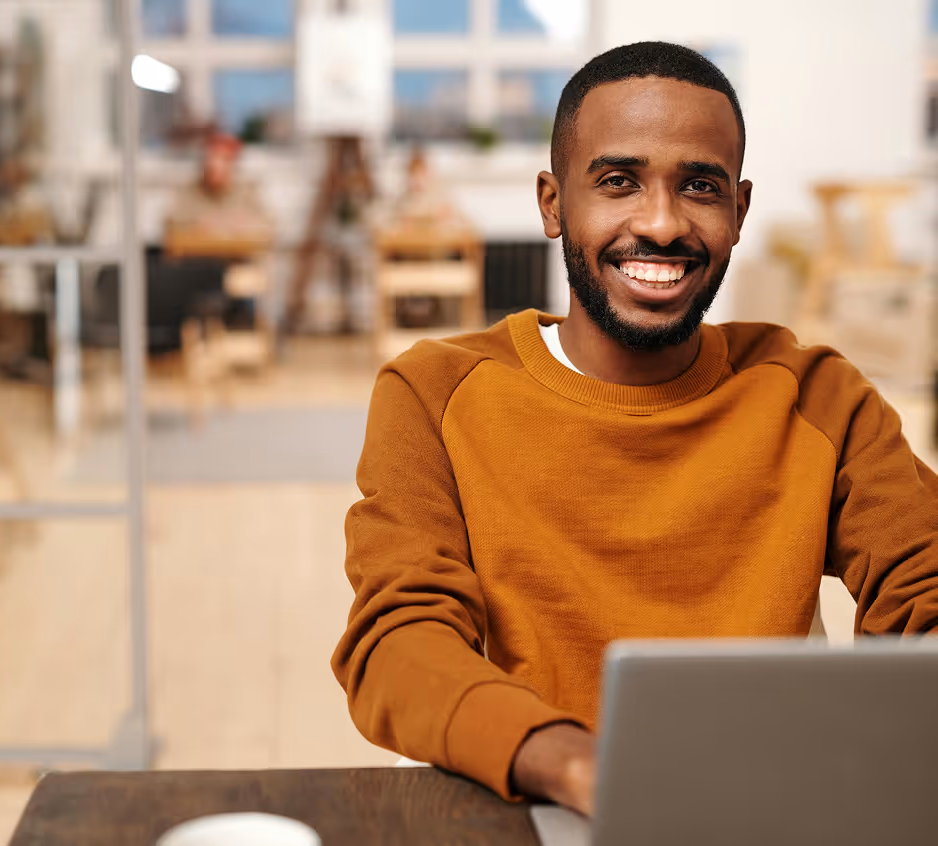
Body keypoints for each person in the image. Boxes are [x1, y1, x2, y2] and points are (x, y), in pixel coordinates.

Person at [331, 42, 938, 816]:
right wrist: (580, 768)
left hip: (783, 812)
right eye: (618, 182)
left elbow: (926, 587)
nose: (660, 223)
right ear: (553, 204)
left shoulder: (817, 396)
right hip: (548, 808)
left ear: (739, 212)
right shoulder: (434, 394)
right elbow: (398, 642)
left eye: (700, 187)